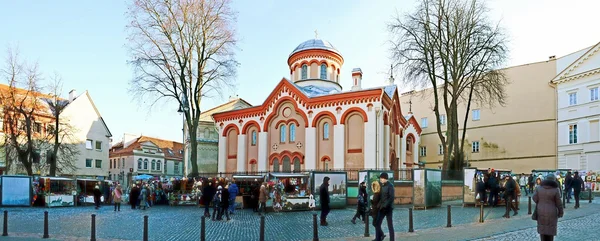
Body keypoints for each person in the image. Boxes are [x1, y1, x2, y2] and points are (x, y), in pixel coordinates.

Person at [533, 174, 564, 241]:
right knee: (550, 230)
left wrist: (540, 202)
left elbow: (534, 198)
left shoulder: (539, 188)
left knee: (542, 229)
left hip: (540, 210)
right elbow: (559, 203)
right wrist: (561, 212)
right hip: (552, 211)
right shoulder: (556, 189)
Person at [375, 172, 395, 241]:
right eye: (380, 178)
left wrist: (385, 205)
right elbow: (381, 197)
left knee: (390, 225)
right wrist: (379, 205)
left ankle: (392, 240)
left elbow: (391, 197)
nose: (380, 179)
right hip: (382, 208)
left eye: (382, 178)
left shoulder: (390, 186)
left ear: (385, 179)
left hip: (388, 208)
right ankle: (378, 238)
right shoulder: (381, 185)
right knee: (377, 223)